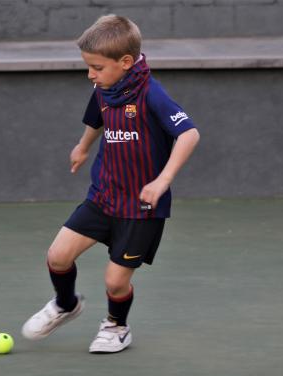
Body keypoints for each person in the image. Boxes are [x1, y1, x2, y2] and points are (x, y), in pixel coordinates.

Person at [21, 14, 200, 353]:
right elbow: (97, 118)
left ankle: (117, 326)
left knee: (115, 282)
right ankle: (65, 303)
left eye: (97, 67)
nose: (91, 74)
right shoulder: (104, 88)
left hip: (141, 209)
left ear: (126, 62)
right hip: (103, 197)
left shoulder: (151, 94)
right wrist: (83, 146)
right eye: (89, 66)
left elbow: (189, 134)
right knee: (58, 256)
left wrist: (163, 180)